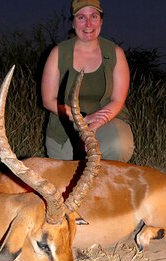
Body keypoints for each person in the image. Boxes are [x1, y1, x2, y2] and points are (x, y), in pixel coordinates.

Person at [41, 0, 134, 162]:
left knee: (118, 146)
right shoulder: (58, 53)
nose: (88, 23)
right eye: (81, 17)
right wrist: (82, 121)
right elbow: (48, 101)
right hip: (67, 125)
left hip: (103, 122)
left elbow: (118, 100)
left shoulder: (115, 53)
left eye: (94, 16)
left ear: (101, 20)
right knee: (67, 172)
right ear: (73, 22)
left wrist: (93, 126)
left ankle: (107, 181)